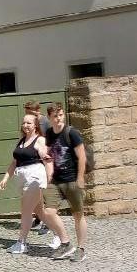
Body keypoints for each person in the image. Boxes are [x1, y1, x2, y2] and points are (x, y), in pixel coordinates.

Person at [0, 113, 74, 258]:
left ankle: (22, 243)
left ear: (35, 126)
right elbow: (14, 162)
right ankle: (60, 237)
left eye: (29, 123)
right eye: (24, 123)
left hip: (34, 178)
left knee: (26, 210)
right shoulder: (21, 141)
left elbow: (45, 156)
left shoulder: (39, 140)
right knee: (41, 212)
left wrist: (49, 176)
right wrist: (6, 177)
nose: (25, 125)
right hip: (22, 177)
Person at [44, 103, 88, 262]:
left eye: (61, 115)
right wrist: (47, 162)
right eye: (55, 116)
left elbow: (82, 157)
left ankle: (81, 249)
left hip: (72, 180)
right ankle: (66, 243)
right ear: (49, 118)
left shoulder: (72, 133)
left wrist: (80, 178)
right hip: (55, 180)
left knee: (78, 214)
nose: (59, 119)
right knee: (48, 211)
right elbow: (49, 153)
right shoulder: (49, 133)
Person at [23, 101, 51, 237]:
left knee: (43, 190)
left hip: (44, 158)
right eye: (26, 111)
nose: (27, 114)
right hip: (36, 158)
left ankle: (48, 222)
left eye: (29, 111)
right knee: (37, 190)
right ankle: (40, 218)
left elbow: (47, 140)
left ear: (37, 110)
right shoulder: (33, 121)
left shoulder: (44, 121)